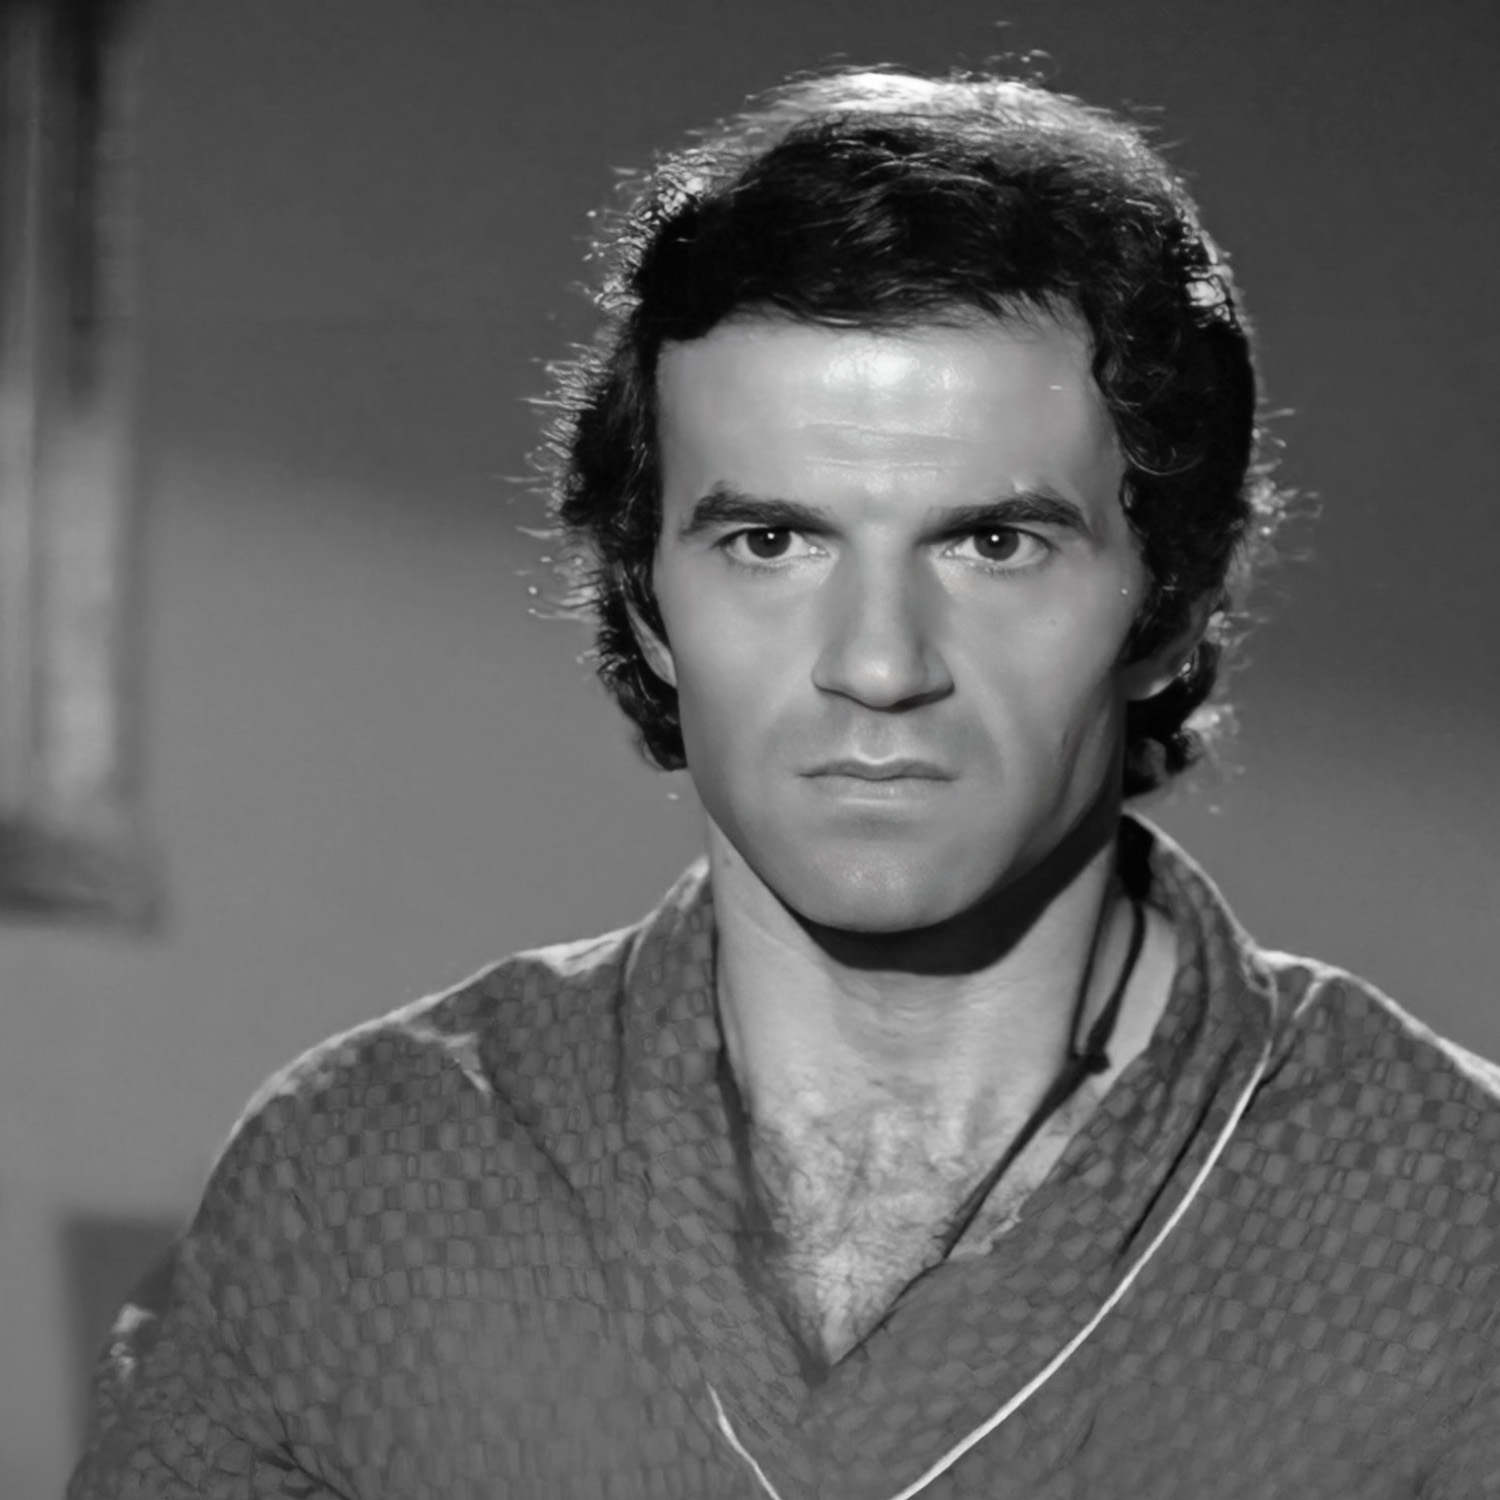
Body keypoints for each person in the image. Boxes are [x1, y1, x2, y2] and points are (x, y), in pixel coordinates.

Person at [69, 68, 1500, 1500]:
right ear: (647, 600)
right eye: (771, 543)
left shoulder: (1456, 1218)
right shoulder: (365, 1175)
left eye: (992, 545)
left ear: (1171, 601)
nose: (877, 664)